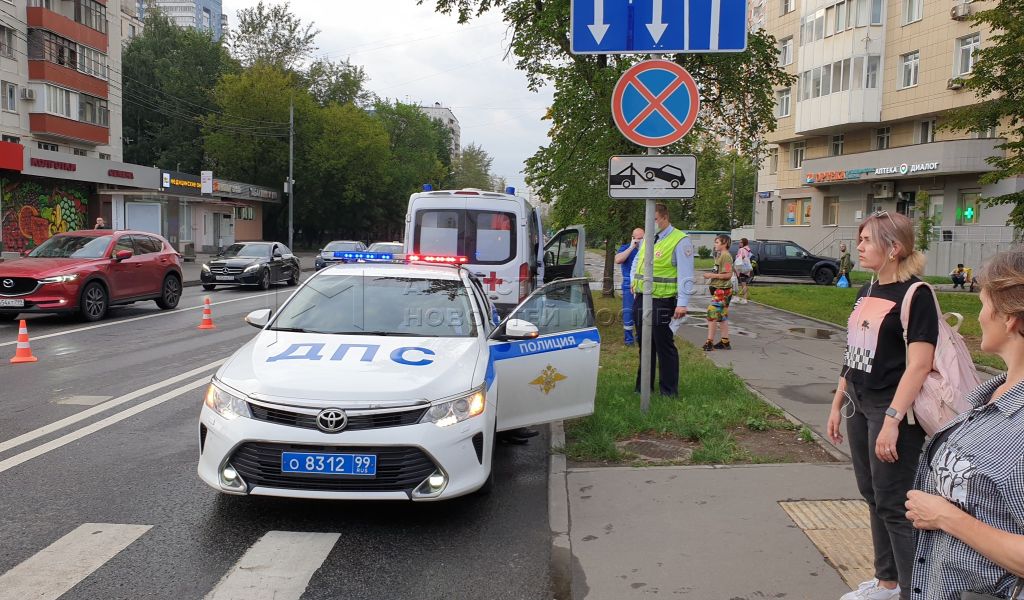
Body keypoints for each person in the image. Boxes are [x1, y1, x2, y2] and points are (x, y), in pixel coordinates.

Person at [826, 211, 937, 600]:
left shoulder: (915, 294)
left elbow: (920, 364)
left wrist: (891, 420)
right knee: (872, 494)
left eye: (867, 240)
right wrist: (838, 401)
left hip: (894, 410)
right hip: (859, 402)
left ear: (894, 248)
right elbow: (853, 352)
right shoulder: (867, 291)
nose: (859, 246)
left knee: (895, 503)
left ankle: (914, 591)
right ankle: (887, 583)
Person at [906, 248, 1024, 600]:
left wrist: (947, 518)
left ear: (1010, 319)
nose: (979, 316)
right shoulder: (991, 396)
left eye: (984, 304)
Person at [630, 203, 694, 397]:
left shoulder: (680, 240)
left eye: (654, 220)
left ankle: (668, 390)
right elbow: (637, 262)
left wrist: (682, 303)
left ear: (664, 218)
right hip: (642, 298)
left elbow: (686, 275)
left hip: (663, 300)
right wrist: (634, 281)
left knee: (663, 345)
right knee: (644, 344)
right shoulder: (648, 239)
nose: (651, 224)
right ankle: (643, 387)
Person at [702, 234, 733, 351]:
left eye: (717, 242)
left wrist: (711, 275)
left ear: (724, 243)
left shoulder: (726, 256)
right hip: (721, 290)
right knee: (722, 316)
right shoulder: (721, 256)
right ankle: (725, 342)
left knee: (712, 314)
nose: (715, 244)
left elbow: (728, 274)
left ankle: (709, 342)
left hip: (722, 291)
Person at [614, 227, 644, 345]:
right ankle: (629, 340)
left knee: (642, 311)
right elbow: (618, 260)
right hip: (628, 284)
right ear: (633, 238)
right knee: (628, 312)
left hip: (644, 283)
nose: (641, 241)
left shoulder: (648, 248)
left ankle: (640, 337)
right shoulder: (626, 248)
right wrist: (632, 247)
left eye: (643, 238)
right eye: (638, 238)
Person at [734, 238, 753, 305]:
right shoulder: (748, 249)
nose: (739, 243)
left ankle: (741, 298)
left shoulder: (741, 249)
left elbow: (740, 258)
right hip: (746, 269)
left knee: (740, 283)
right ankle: (744, 298)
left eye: (741, 242)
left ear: (744, 243)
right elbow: (749, 257)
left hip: (741, 269)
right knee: (744, 283)